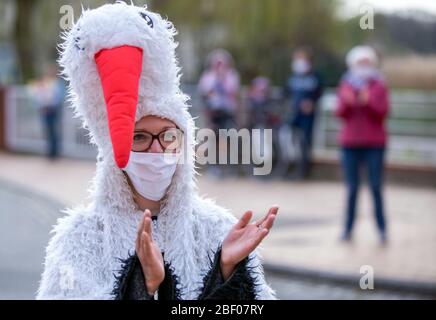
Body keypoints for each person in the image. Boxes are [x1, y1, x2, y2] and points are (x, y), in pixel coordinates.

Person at [37, 2, 277, 300]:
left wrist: (226, 273)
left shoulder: (217, 230)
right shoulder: (80, 239)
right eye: (139, 137)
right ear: (115, 148)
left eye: (167, 135)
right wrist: (143, 287)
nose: (157, 148)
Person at [336, 46, 390, 244]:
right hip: (350, 143)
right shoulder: (346, 84)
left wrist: (368, 102)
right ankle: (347, 230)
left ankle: (382, 230)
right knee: (352, 189)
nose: (363, 67)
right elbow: (339, 113)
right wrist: (347, 103)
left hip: (374, 144)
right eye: (360, 63)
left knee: (375, 187)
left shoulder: (379, 85)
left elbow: (383, 112)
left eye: (367, 63)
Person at [284, 47, 323, 179]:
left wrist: (311, 103)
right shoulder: (292, 76)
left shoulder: (314, 76)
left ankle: (303, 171)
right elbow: (286, 93)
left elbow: (319, 93)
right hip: (293, 113)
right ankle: (290, 168)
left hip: (308, 115)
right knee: (289, 138)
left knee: (305, 142)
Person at [28, 64, 65, 159]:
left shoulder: (58, 83)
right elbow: (39, 95)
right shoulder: (46, 82)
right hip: (45, 110)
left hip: (53, 110)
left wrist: (50, 105)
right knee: (48, 131)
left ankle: (55, 152)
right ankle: (50, 151)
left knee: (54, 130)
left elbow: (59, 97)